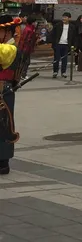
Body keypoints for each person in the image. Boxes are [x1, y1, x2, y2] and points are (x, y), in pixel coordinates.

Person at [0, 14, 20, 176]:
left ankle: (3, 162)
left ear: (7, 32)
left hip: (4, 91)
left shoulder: (10, 48)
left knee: (4, 125)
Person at [49, 10, 75, 78]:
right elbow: (53, 34)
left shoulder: (72, 27)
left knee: (65, 59)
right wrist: (53, 43)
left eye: (65, 17)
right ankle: (55, 71)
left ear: (69, 18)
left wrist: (74, 46)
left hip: (66, 45)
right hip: (58, 44)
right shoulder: (58, 25)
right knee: (56, 58)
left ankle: (63, 72)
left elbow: (74, 37)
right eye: (63, 17)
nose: (64, 18)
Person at [16, 15, 38, 83]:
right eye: (35, 22)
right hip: (25, 48)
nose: (36, 23)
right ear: (32, 22)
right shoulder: (28, 29)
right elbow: (24, 40)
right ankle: (22, 75)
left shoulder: (31, 29)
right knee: (25, 62)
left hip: (27, 48)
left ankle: (22, 74)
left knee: (26, 62)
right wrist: (22, 48)